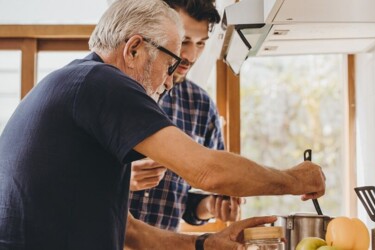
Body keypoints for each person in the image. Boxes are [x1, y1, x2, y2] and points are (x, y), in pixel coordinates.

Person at [0, 0, 325, 249]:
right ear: (134, 49)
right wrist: (295, 178)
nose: (170, 82)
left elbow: (130, 230)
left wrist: (205, 243)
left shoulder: (77, 81)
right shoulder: (103, 83)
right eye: (171, 64)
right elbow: (206, 171)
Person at [128, 0, 243, 232]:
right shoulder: (118, 92)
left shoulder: (201, 106)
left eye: (201, 43)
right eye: (184, 41)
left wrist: (212, 205)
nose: (191, 55)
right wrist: (121, 181)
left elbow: (188, 203)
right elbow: (68, 180)